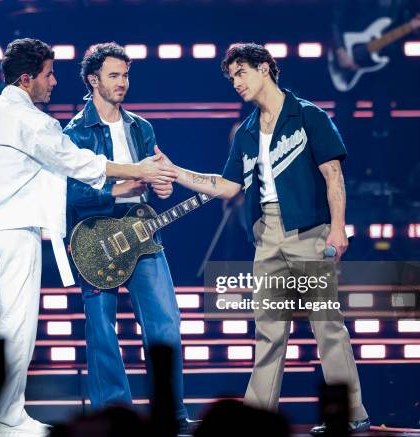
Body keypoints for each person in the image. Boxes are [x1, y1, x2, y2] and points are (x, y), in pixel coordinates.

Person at [0, 38, 176, 437]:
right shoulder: (34, 121)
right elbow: (79, 163)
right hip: (14, 235)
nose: (54, 82)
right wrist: (139, 171)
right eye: (49, 74)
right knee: (15, 329)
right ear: (27, 78)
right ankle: (7, 417)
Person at [157, 43, 370, 435]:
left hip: (309, 231)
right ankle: (255, 420)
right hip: (267, 235)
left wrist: (338, 227)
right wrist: (176, 171)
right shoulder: (248, 131)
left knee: (326, 325)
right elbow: (226, 187)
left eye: (242, 72)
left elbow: (333, 175)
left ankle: (351, 414)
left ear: (266, 69)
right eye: (232, 77)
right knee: (268, 328)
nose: (236, 82)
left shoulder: (307, 116)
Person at [63, 42, 196, 435]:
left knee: (165, 323)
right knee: (102, 329)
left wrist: (163, 188)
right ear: (93, 81)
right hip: (95, 231)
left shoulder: (142, 126)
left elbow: (157, 178)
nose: (122, 83)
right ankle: (112, 417)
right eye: (114, 76)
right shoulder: (74, 132)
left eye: (125, 75)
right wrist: (119, 188)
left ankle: (170, 414)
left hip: (142, 229)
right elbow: (68, 192)